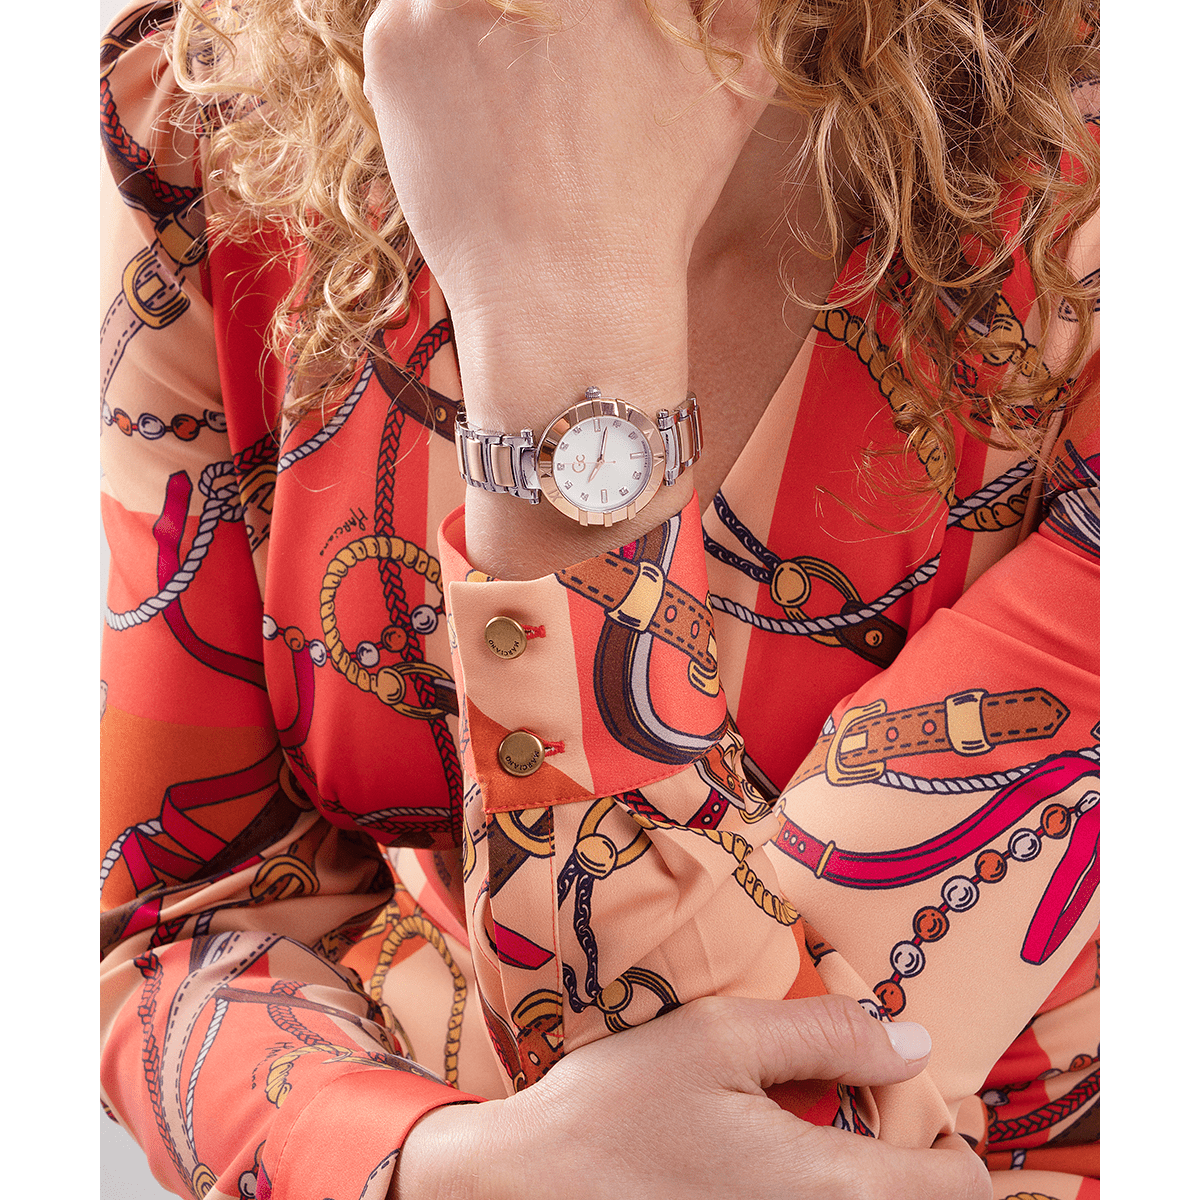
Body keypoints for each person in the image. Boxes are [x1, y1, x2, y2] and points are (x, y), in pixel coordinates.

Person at [99, 1, 1098, 1198]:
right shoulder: (213, 115)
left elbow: (793, 1121)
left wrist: (561, 332)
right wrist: (440, 1168)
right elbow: (176, 921)